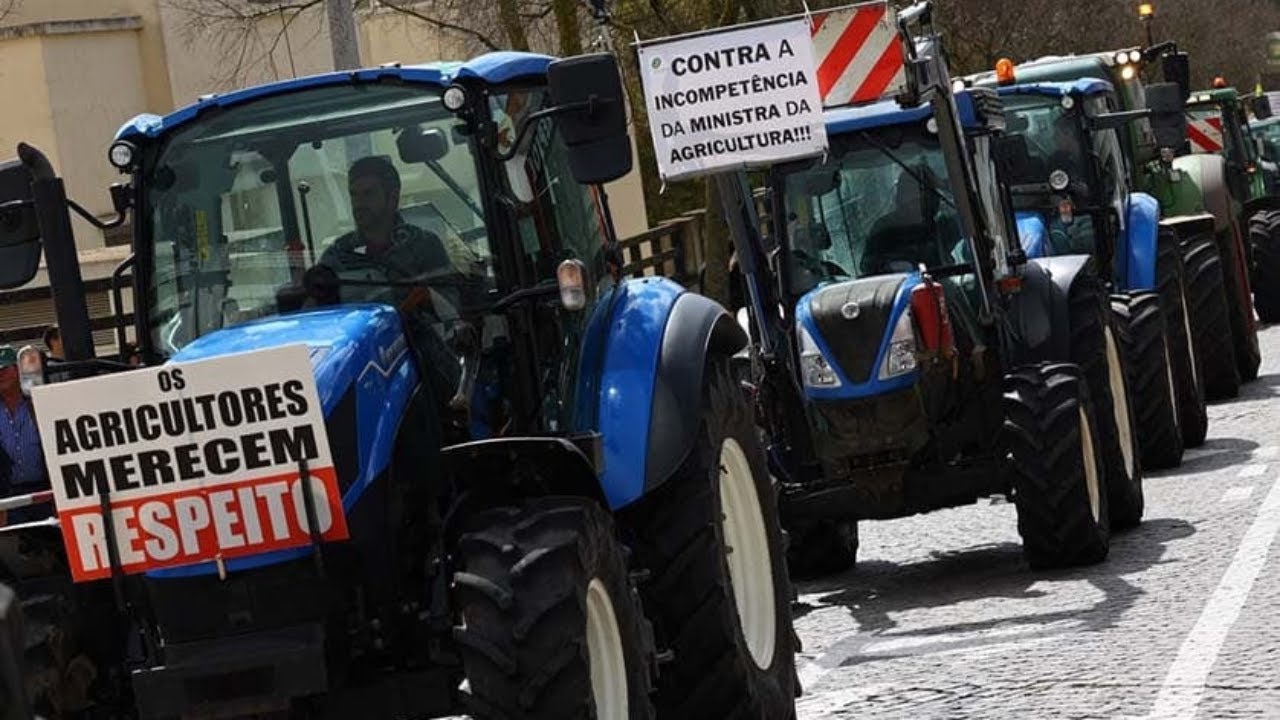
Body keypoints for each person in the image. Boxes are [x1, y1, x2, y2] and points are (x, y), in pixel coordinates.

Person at [0, 345, 49, 525]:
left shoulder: (39, 401)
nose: (0, 375)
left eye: (4, 369)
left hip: (46, 492)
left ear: (18, 369)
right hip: (8, 497)